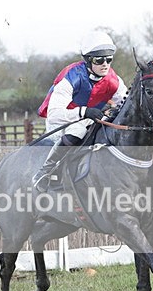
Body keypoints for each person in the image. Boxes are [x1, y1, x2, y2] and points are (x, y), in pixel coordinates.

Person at [31, 30, 128, 192]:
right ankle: (45, 171)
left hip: (90, 119)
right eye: (99, 60)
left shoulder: (114, 80)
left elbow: (125, 103)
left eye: (109, 59)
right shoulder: (71, 77)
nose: (105, 64)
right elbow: (54, 115)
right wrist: (84, 112)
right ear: (88, 60)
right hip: (63, 121)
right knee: (78, 130)